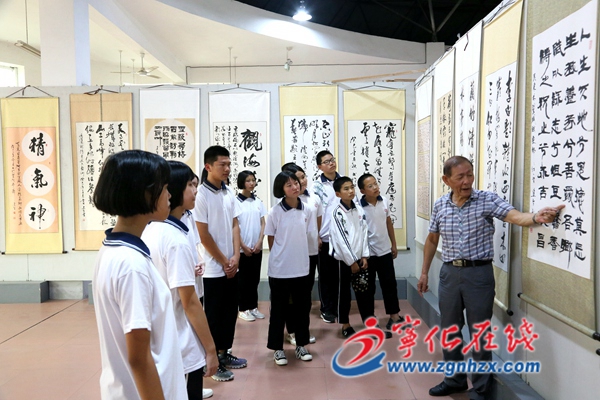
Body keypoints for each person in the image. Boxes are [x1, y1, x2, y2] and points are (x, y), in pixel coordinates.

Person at [417, 156, 564, 400]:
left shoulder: (487, 199)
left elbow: (515, 216)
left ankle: (481, 389)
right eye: (460, 177)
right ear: (446, 180)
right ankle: (454, 380)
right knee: (450, 329)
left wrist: (536, 217)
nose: (467, 181)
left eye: (470, 175)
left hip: (479, 274)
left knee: (479, 331)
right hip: (449, 273)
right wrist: (424, 272)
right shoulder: (440, 204)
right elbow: (433, 239)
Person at [92, 150, 187, 400]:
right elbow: (139, 358)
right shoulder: (131, 265)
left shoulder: (114, 250)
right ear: (145, 193)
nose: (169, 195)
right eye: (164, 188)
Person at [142, 161, 218, 400]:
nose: (196, 191)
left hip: (162, 337)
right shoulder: (175, 239)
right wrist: (211, 349)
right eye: (190, 185)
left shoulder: (151, 229)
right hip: (180, 340)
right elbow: (189, 302)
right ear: (173, 190)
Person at [193, 145, 247, 382]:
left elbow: (235, 225)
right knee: (213, 316)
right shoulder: (201, 195)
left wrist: (236, 256)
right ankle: (212, 362)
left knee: (230, 312)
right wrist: (225, 261)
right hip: (213, 269)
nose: (227, 169)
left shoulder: (228, 192)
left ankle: (224, 353)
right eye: (222, 165)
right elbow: (203, 235)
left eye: (228, 164)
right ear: (208, 166)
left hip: (231, 265)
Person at [265, 171, 315, 365]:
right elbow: (271, 239)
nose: (295, 187)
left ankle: (301, 345)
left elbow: (307, 235)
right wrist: (280, 257)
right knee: (279, 310)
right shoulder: (274, 212)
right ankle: (277, 349)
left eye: (296, 183)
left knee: (302, 309)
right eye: (289, 185)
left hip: (301, 267)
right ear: (281, 190)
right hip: (280, 269)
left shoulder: (308, 210)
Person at [181, 173, 214, 400]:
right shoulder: (165, 228)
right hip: (184, 291)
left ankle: (194, 385)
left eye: (196, 184)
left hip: (195, 283)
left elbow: (195, 244)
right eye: (190, 185)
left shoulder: (189, 215)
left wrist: (199, 261)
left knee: (193, 340)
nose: (195, 190)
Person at [358, 173, 405, 330]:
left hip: (385, 251)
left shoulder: (384, 200)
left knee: (390, 285)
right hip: (368, 254)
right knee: (368, 289)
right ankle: (370, 323)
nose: (375, 187)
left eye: (376, 184)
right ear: (362, 191)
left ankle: (394, 316)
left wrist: (394, 244)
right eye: (370, 186)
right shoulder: (358, 207)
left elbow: (388, 222)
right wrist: (361, 254)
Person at [328, 176, 373, 338]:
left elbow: (364, 233)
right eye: (346, 189)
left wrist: (365, 256)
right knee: (344, 294)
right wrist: (352, 260)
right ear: (338, 194)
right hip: (344, 261)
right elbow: (340, 239)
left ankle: (369, 324)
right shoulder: (337, 213)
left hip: (360, 258)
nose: (351, 191)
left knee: (365, 293)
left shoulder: (359, 210)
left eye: (352, 187)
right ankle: (345, 325)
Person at [282, 163, 321, 346]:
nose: (301, 182)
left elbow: (317, 222)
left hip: (310, 251)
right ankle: (292, 330)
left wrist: (317, 238)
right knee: (291, 296)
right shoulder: (284, 203)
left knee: (305, 295)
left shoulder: (314, 198)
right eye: (296, 180)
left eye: (303, 177)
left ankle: (302, 330)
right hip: (292, 254)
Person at [311, 150, 341, 323]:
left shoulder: (343, 182)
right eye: (327, 161)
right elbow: (314, 213)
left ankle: (339, 307)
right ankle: (327, 309)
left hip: (342, 238)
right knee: (326, 276)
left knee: (340, 275)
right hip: (325, 237)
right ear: (319, 166)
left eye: (332, 159)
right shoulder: (316, 187)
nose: (331, 163)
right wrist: (316, 235)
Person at [236, 170, 267, 322]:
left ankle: (253, 306)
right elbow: (234, 226)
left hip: (256, 248)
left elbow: (263, 223)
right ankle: (243, 308)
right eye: (248, 180)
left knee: (254, 279)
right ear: (242, 182)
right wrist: (242, 245)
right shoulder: (236, 202)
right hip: (242, 249)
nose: (252, 183)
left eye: (253, 180)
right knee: (243, 280)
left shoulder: (257, 202)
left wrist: (260, 241)